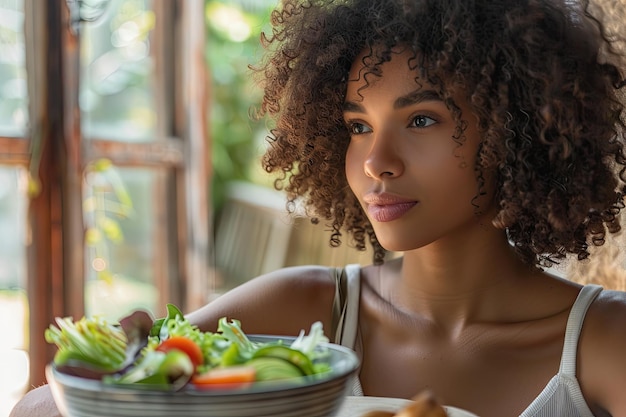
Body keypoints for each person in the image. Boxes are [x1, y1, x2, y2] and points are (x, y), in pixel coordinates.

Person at [11, 0, 626, 416]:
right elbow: (38, 408)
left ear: (520, 129)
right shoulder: (306, 309)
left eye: (421, 119)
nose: (375, 161)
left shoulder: (601, 341)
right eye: (358, 126)